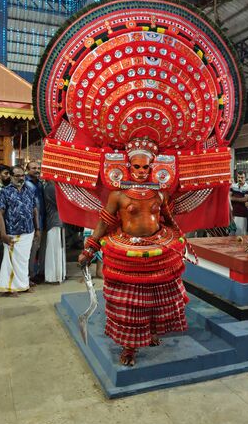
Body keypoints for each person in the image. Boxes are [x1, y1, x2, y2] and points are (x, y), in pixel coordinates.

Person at [78, 138, 189, 367]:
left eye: (145, 167)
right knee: (130, 304)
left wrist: (180, 241)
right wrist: (91, 247)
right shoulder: (118, 195)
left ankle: (153, 332)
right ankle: (129, 347)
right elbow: (105, 222)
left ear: (152, 168)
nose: (140, 171)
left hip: (157, 251)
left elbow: (169, 220)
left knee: (158, 298)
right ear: (128, 167)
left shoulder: (161, 194)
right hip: (128, 253)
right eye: (136, 166)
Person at [0, 165, 40, 296]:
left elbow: (34, 210)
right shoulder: (4, 192)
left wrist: (37, 228)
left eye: (22, 176)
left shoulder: (29, 191)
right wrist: (3, 233)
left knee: (24, 261)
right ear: (11, 176)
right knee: (11, 262)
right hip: (12, 232)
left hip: (28, 231)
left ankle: (23, 284)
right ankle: (11, 288)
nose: (20, 178)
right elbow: (0, 214)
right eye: (17, 176)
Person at [25, 160, 46, 283]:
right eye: (33, 168)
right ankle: (28, 276)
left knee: (36, 249)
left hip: (41, 221)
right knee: (31, 251)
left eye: (38, 168)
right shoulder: (27, 184)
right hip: (32, 224)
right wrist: (36, 226)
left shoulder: (39, 183)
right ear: (28, 169)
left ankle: (33, 273)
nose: (37, 170)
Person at [44, 180, 66, 284]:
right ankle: (55, 276)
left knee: (57, 249)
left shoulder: (51, 186)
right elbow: (60, 203)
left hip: (57, 221)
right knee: (55, 249)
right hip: (55, 221)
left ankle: (58, 275)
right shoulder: (50, 188)